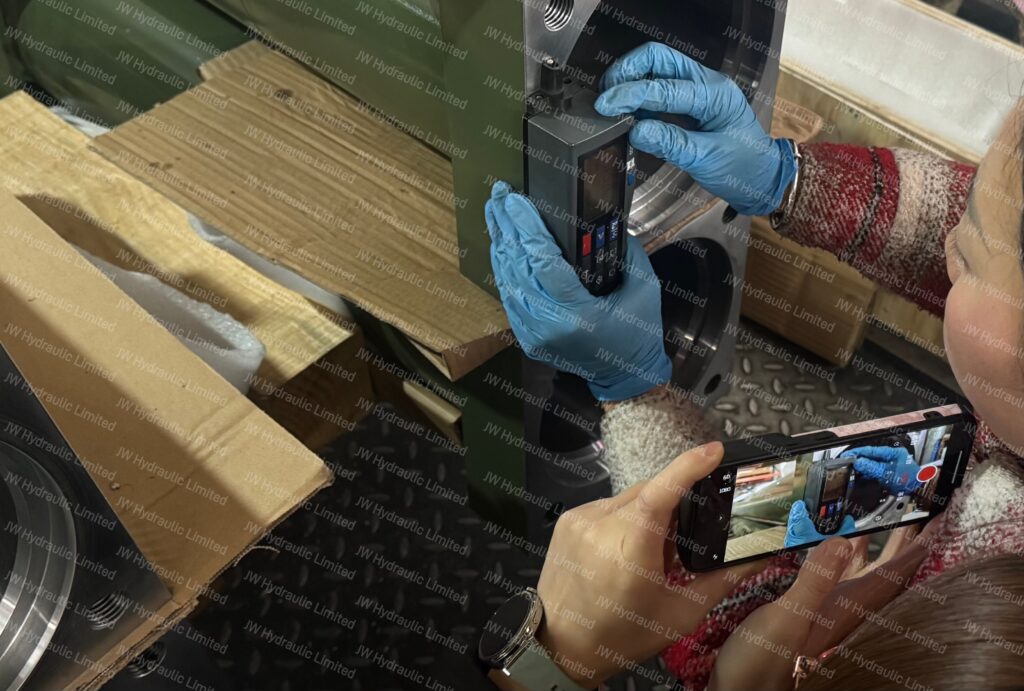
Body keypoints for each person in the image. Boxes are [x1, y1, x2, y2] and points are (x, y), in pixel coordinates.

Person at [484, 41, 1024, 688]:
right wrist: (792, 179)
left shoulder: (984, 634)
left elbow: (752, 638)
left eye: (969, 254)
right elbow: (997, 219)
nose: (948, 248)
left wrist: (551, 660)